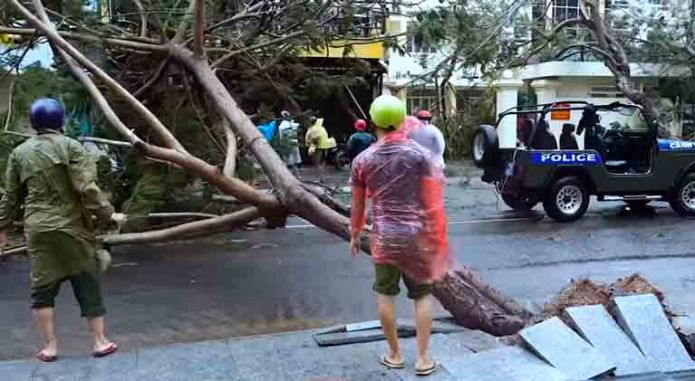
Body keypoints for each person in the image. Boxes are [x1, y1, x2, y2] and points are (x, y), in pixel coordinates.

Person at [0, 98, 124, 362]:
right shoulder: (72, 147)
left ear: (34, 122)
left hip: (37, 228)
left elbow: (11, 197)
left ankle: (50, 347)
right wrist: (109, 214)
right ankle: (100, 341)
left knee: (42, 288)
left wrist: (2, 226)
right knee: (86, 279)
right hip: (71, 227)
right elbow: (88, 189)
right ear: (60, 121)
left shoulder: (19, 153)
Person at [349, 95, 450, 377]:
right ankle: (423, 358)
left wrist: (355, 233)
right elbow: (434, 200)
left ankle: (394, 355)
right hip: (418, 236)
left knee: (385, 293)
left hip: (384, 236)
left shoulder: (362, 159)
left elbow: (358, 205)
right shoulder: (421, 156)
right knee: (422, 295)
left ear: (373, 121)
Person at [304, 116, 336, 182]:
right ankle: (322, 177)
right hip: (325, 146)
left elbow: (315, 137)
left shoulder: (313, 129)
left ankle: (320, 178)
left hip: (317, 148)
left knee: (317, 163)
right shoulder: (321, 128)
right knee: (323, 163)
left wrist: (312, 145)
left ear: (310, 122)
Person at [277, 111, 302, 176]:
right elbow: (298, 127)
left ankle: (290, 176)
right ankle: (298, 175)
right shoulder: (295, 125)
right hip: (295, 143)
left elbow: (281, 137)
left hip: (286, 144)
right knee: (295, 161)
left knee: (289, 162)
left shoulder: (281, 126)